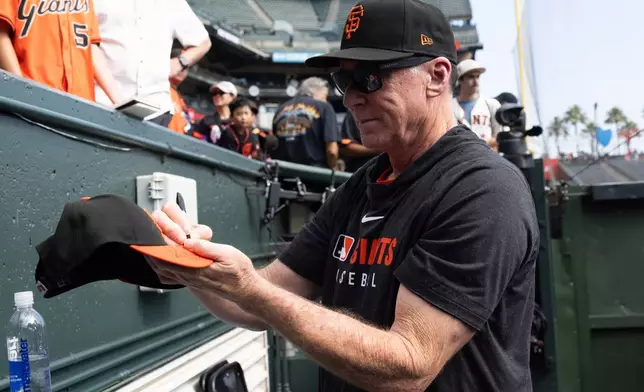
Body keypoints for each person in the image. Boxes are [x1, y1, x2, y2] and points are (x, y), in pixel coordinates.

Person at [146, 1, 539, 391]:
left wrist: (250, 288)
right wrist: (190, 264)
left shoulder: (484, 189)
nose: (350, 98)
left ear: (436, 76)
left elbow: (409, 365)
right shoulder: (363, 184)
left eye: (369, 77)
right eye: (342, 81)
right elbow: (256, 300)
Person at [92, 0, 212, 127]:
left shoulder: (173, 3)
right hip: (102, 102)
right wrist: (118, 100)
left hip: (156, 108)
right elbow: (88, 41)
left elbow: (203, 42)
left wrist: (179, 63)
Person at [0, 0, 121, 103]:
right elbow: (1, 35)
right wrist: (21, 91)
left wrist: (119, 101)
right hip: (34, 96)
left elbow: (90, 46)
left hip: (82, 104)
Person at [271, 77, 340, 169]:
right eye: (325, 96)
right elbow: (332, 151)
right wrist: (333, 168)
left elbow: (274, 145)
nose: (325, 100)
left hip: (284, 173)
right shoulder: (324, 107)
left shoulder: (280, 110)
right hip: (315, 174)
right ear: (318, 91)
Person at [453, 59, 502, 147]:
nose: (476, 82)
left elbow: (501, 138)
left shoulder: (491, 104)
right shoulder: (448, 107)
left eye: (478, 77)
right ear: (460, 80)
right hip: (459, 158)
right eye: (471, 77)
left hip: (487, 157)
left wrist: (487, 142)